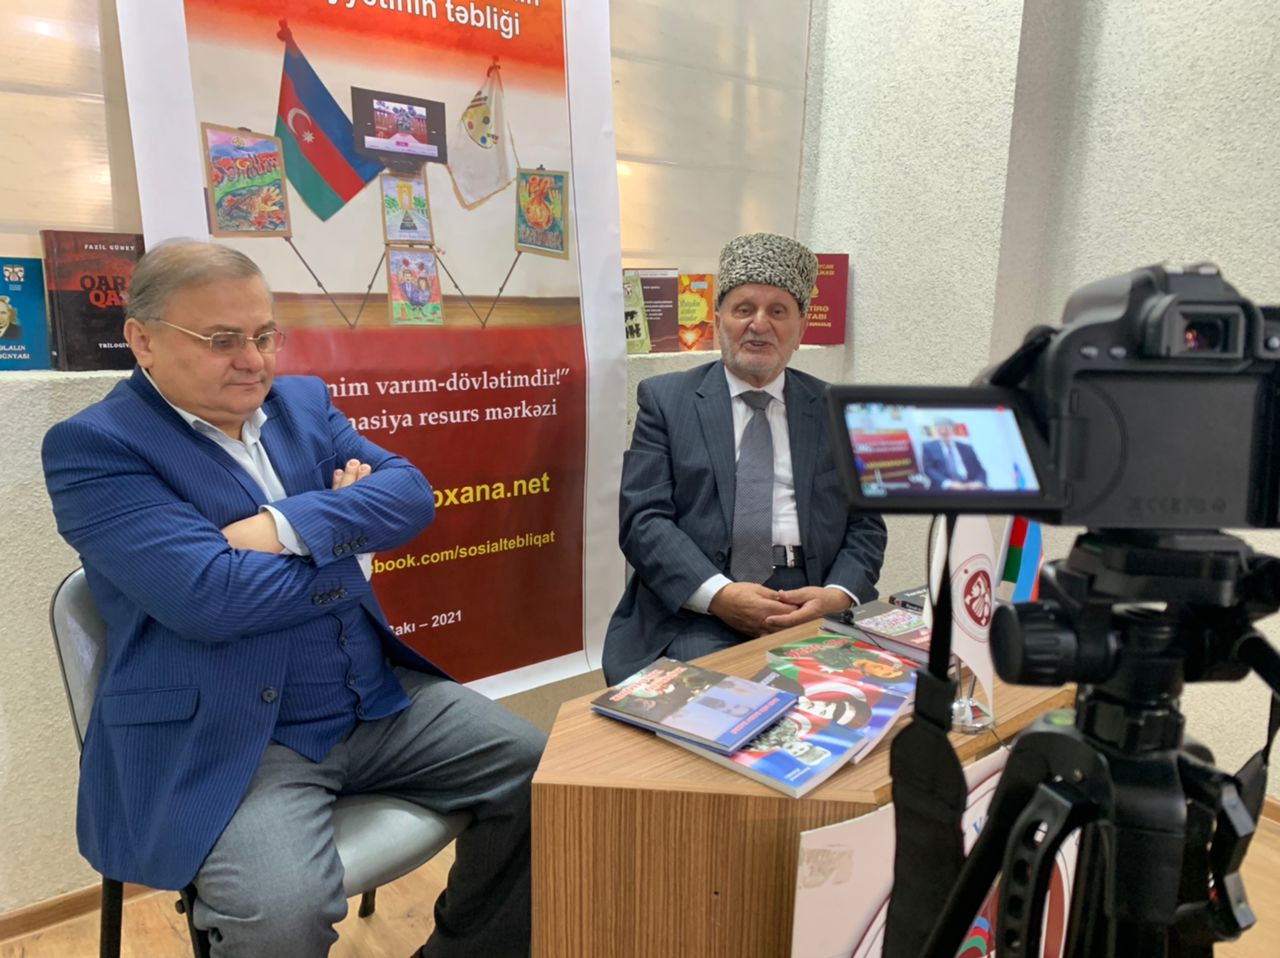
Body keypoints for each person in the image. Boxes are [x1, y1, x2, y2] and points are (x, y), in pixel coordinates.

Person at [42, 240, 544, 958]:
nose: (253, 360)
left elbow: (410, 494)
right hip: (232, 734)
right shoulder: (96, 447)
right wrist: (354, 545)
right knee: (279, 913)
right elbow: (212, 598)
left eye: (264, 335)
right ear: (142, 340)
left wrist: (283, 527)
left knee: (542, 771)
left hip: (373, 700)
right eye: (222, 339)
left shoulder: (300, 403)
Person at [601, 232, 888, 686]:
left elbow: (866, 525)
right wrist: (720, 595)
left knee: (864, 702)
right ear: (718, 319)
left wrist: (837, 595)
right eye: (744, 309)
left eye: (778, 311)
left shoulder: (839, 410)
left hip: (812, 599)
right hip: (701, 606)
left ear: (801, 327)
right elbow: (643, 521)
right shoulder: (666, 401)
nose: (759, 324)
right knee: (732, 701)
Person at [921, 416, 987, 490]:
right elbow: (928, 469)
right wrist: (949, 484)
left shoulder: (966, 448)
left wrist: (979, 482)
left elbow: (980, 470)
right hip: (946, 487)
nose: (944, 432)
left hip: (969, 485)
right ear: (937, 431)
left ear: (953, 430)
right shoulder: (929, 447)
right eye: (940, 430)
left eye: (947, 429)